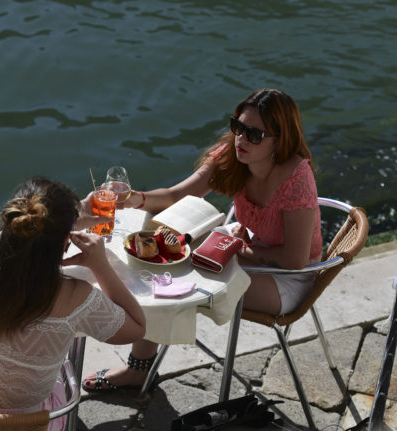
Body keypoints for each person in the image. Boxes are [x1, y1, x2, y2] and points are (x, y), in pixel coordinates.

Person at [82, 88, 322, 392]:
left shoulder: (296, 178)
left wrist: (236, 245)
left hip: (288, 278)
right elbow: (176, 195)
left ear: (280, 139)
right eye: (238, 127)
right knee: (160, 267)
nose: (241, 139)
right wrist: (132, 198)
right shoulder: (234, 156)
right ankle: (140, 368)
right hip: (245, 253)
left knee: (169, 284)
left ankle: (138, 370)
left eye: (254, 135)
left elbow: (294, 259)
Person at [0, 177, 146, 430]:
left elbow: (18, 238)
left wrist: (68, 220)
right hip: (26, 425)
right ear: (66, 240)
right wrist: (100, 265)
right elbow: (137, 328)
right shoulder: (76, 296)